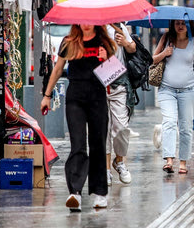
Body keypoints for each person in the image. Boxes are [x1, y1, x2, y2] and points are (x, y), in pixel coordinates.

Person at [41, 24, 116, 210]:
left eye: (89, 19)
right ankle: (75, 193)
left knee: (98, 143)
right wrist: (47, 95)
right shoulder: (69, 43)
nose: (86, 23)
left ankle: (99, 193)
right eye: (82, 19)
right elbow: (58, 69)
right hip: (75, 98)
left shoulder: (105, 43)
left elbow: (113, 79)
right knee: (78, 144)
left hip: (98, 98)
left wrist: (106, 59)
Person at [152, 20, 194, 174]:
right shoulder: (166, 38)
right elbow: (152, 60)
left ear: (189, 26)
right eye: (177, 23)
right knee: (169, 121)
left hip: (188, 90)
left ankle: (183, 162)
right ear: (172, 25)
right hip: (167, 89)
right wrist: (165, 53)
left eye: (183, 23)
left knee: (185, 127)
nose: (180, 26)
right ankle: (169, 159)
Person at [105, 23, 136, 185]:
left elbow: (132, 48)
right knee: (104, 128)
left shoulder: (119, 27)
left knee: (122, 127)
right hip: (98, 80)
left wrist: (124, 42)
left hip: (119, 80)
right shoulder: (94, 27)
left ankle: (119, 161)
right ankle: (106, 170)